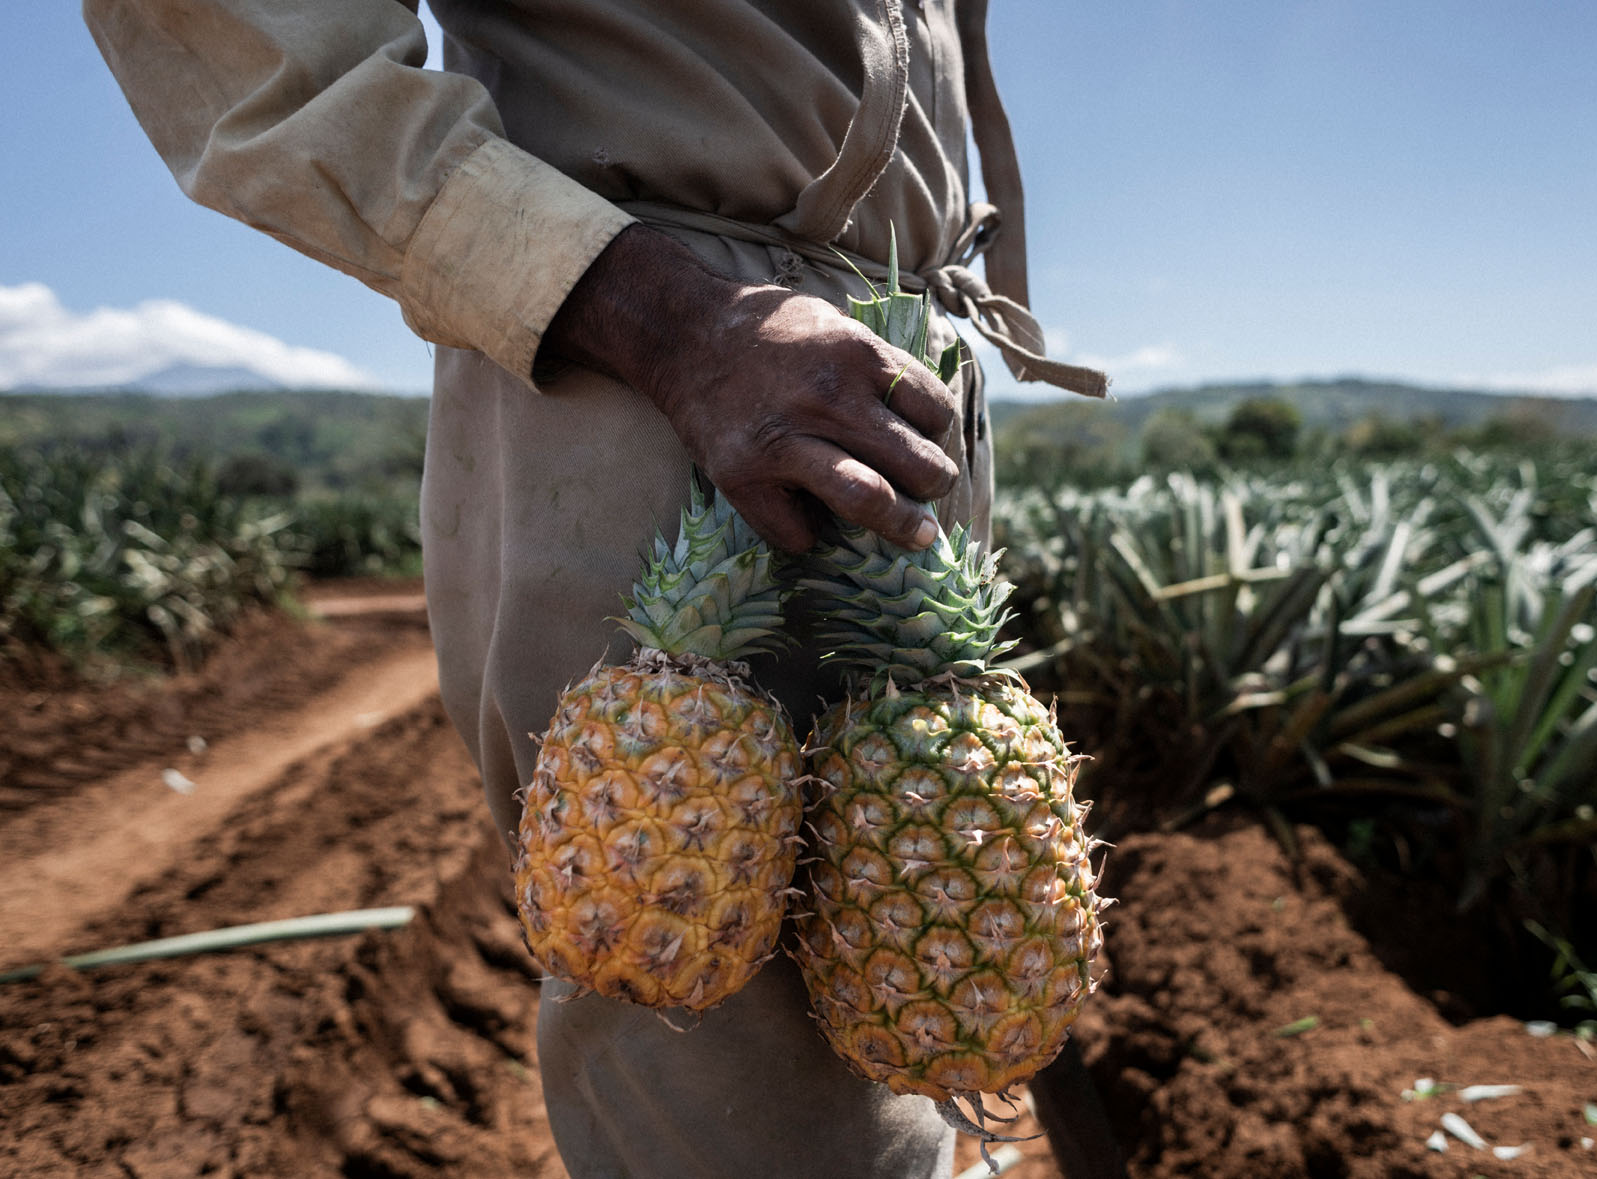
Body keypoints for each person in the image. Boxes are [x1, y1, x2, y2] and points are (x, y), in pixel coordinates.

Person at [85, 2, 1106, 1175]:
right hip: (650, 346)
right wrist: (674, 323)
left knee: (885, 1057)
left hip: (893, 370)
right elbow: (240, 42)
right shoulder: (671, 327)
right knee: (735, 1100)